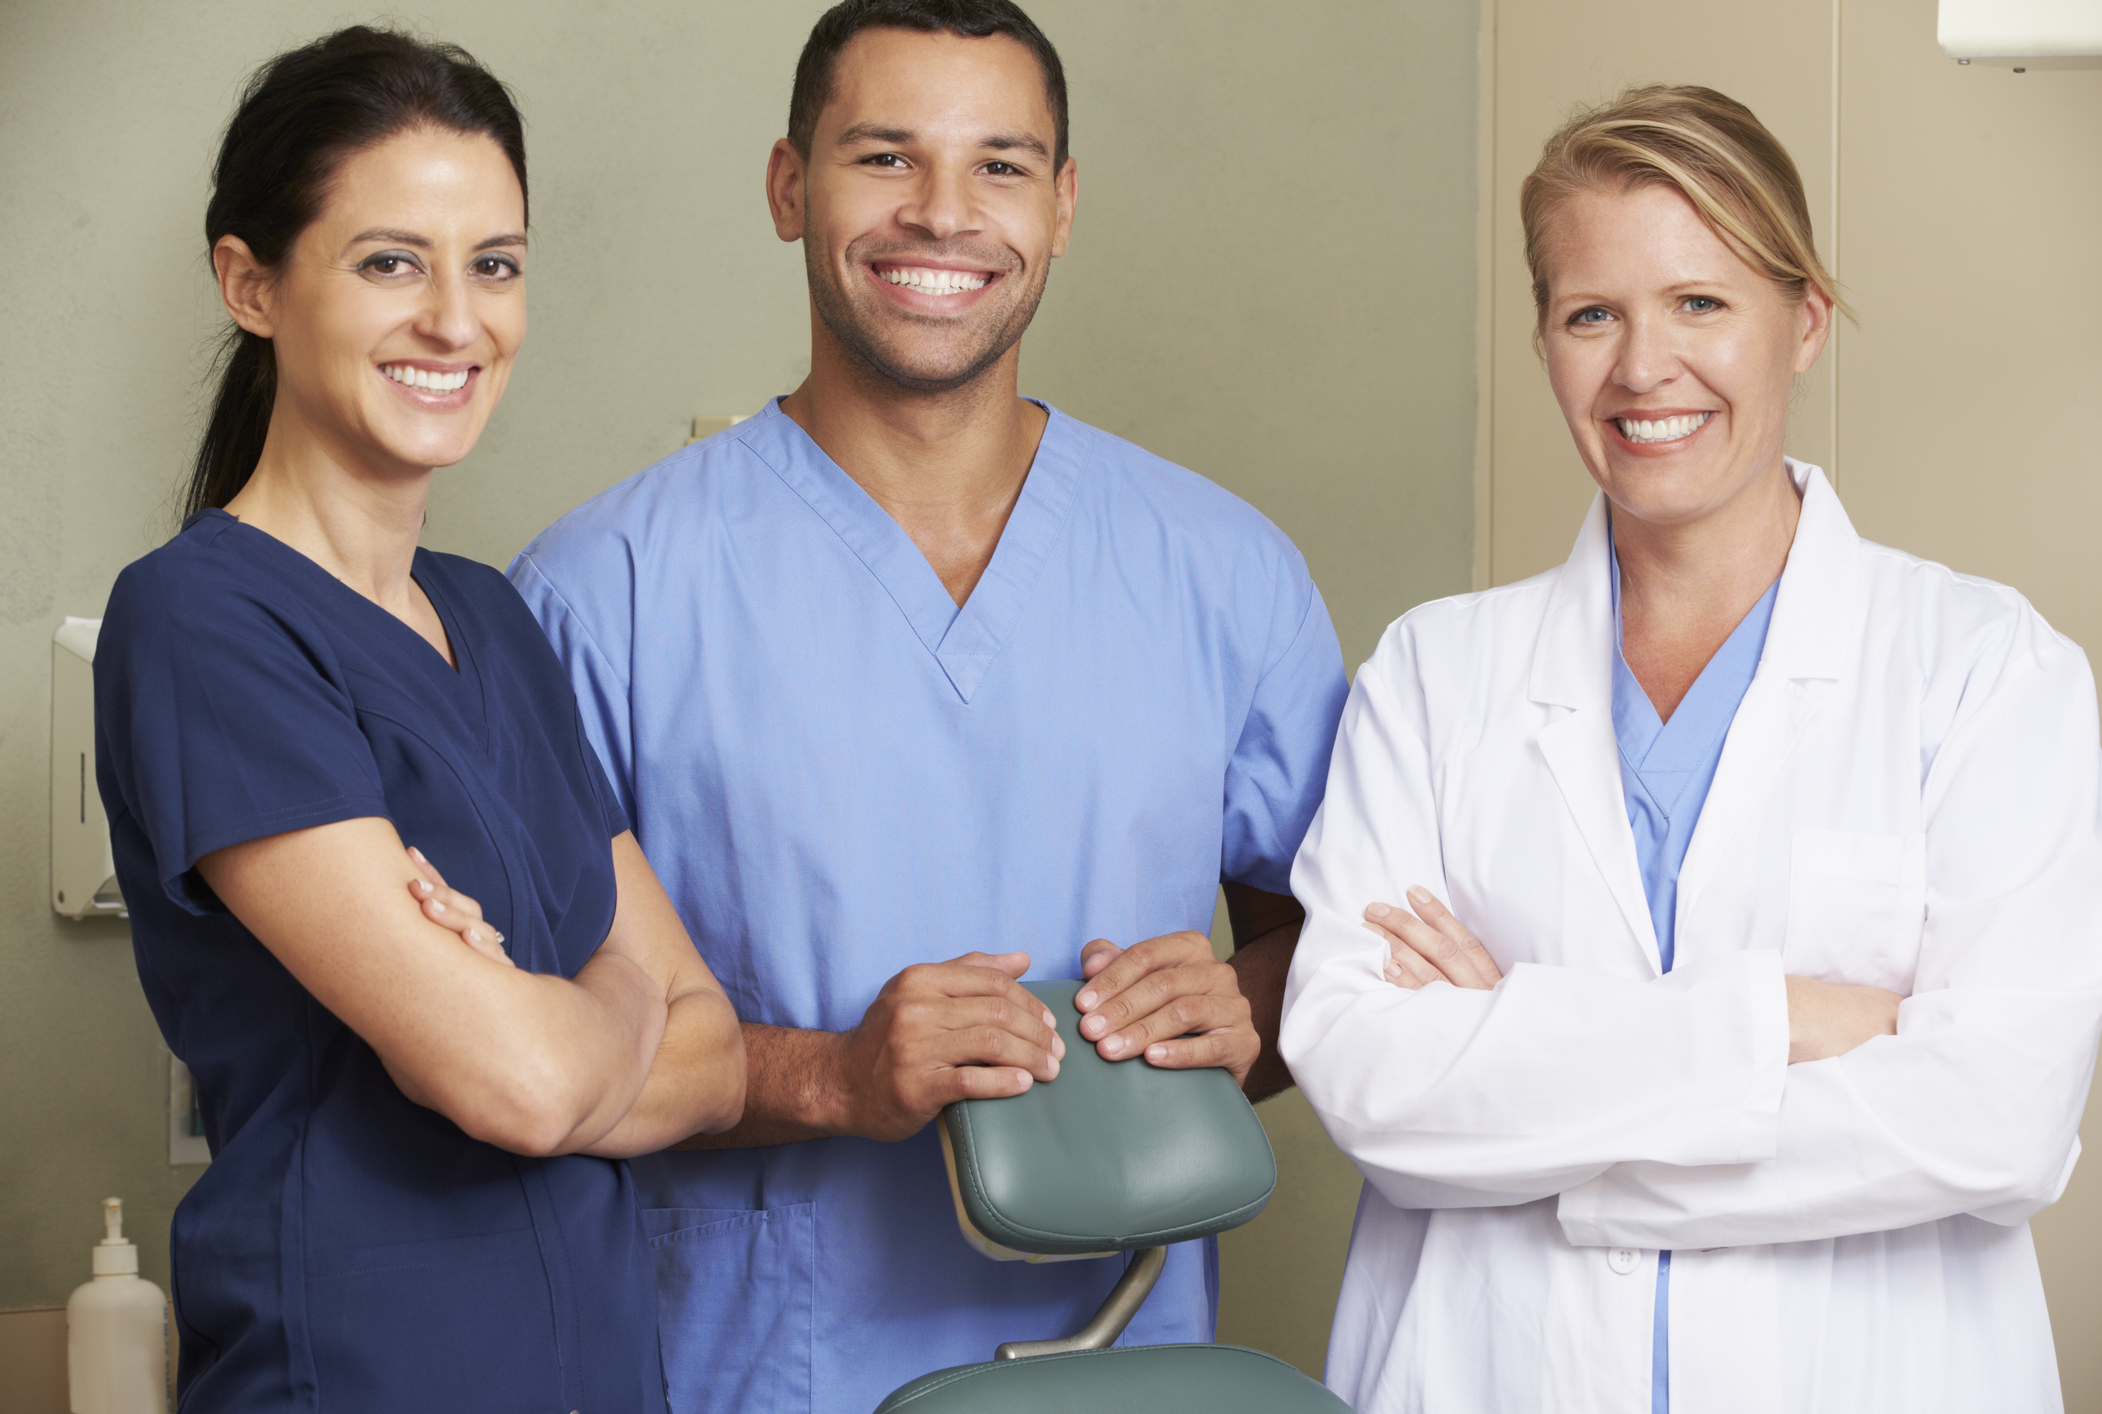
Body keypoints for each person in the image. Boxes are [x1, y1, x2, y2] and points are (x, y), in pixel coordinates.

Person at [507, 0, 1350, 1407]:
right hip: (753, 1368)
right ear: (790, 187)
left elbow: (1324, 953)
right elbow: (527, 1047)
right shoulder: (607, 590)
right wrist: (829, 1074)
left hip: (1124, 1363)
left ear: (1065, 204)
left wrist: (1235, 1015)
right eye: (883, 157)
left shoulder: (1223, 572)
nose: (943, 215)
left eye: (1002, 165)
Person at [1281, 84, 2102, 1414]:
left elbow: (1993, 1122)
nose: (1640, 368)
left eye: (1699, 303)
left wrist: (1529, 1069)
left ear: (1803, 321)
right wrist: (1780, 1018)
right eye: (1589, 313)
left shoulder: (1983, 670)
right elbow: (1368, 1079)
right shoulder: (1435, 676)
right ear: (1545, 339)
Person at [93, 28, 744, 1412]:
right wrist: (611, 996)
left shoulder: (494, 620)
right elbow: (520, 1082)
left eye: (493, 263)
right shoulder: (204, 623)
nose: (457, 319)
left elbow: (721, 1055)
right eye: (392, 259)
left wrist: (546, 1014)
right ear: (250, 282)